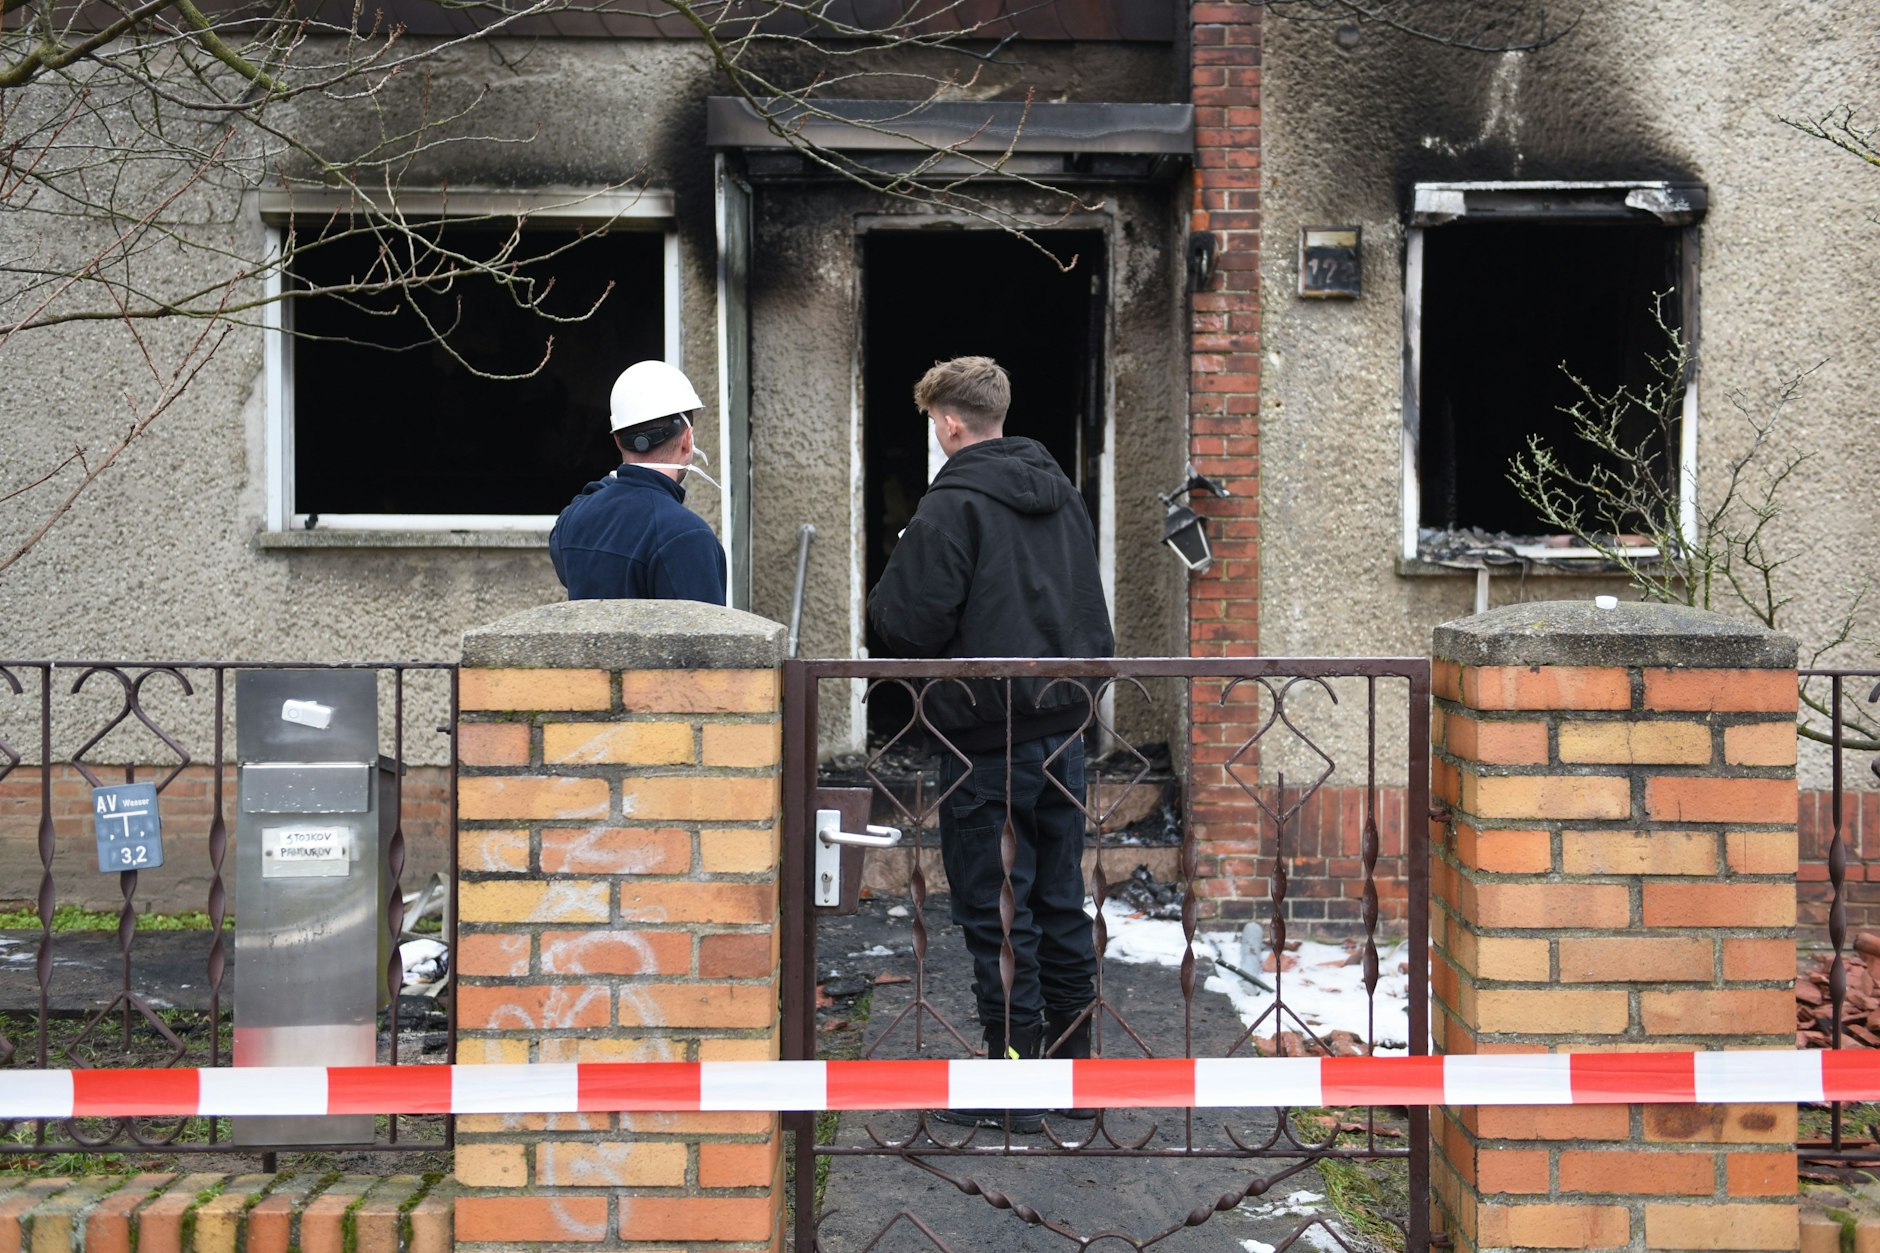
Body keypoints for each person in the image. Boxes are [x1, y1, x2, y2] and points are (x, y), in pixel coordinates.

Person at [867, 355, 1115, 1133]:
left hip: (986, 741)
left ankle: (1013, 1084)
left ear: (948, 423)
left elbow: (905, 622)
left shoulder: (951, 505)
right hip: (1063, 734)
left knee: (999, 913)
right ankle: (1075, 1075)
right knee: (1058, 898)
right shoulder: (1063, 495)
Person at [550, 360, 727, 604]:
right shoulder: (688, 536)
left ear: (617, 440)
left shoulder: (573, 520)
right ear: (688, 441)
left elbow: (580, 510)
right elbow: (705, 629)